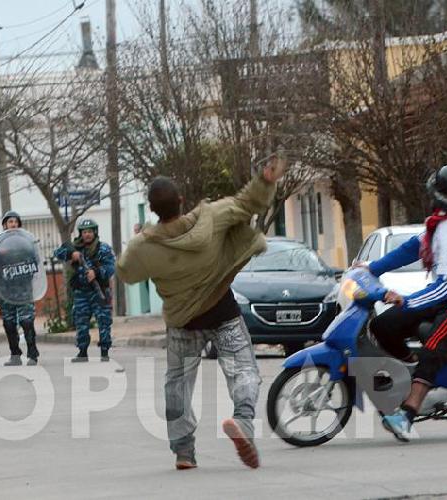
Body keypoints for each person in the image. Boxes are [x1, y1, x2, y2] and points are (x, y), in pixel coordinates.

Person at [116, 155, 286, 470]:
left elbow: (126, 273)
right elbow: (249, 203)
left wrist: (137, 241)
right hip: (223, 311)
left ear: (152, 210)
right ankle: (243, 421)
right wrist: (265, 180)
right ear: (181, 200)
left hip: (183, 323)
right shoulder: (212, 217)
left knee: (177, 385)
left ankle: (184, 452)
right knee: (244, 371)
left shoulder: (144, 246)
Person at [362, 163, 447, 442]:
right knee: (384, 324)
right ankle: (409, 370)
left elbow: (445, 287)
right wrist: (371, 268)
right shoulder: (439, 224)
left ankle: (407, 414)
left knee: (434, 345)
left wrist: (407, 301)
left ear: (443, 198)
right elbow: (411, 249)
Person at [54, 219, 115, 363]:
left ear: (95, 232)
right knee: (81, 321)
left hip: (99, 290)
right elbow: (57, 253)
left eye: (89, 232)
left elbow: (111, 267)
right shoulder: (76, 247)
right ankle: (82, 351)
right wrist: (71, 254)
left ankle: (104, 351)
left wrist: (97, 272)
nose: (87, 235)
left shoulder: (103, 249)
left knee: (103, 321)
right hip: (81, 292)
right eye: (84, 232)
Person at [0, 211, 40, 366]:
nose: (13, 224)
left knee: (27, 321)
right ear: (4, 225)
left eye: (15, 221)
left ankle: (32, 353)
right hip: (7, 291)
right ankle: (15, 354)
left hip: (23, 289)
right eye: (10, 222)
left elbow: (35, 262)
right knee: (8, 323)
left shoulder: (26, 242)